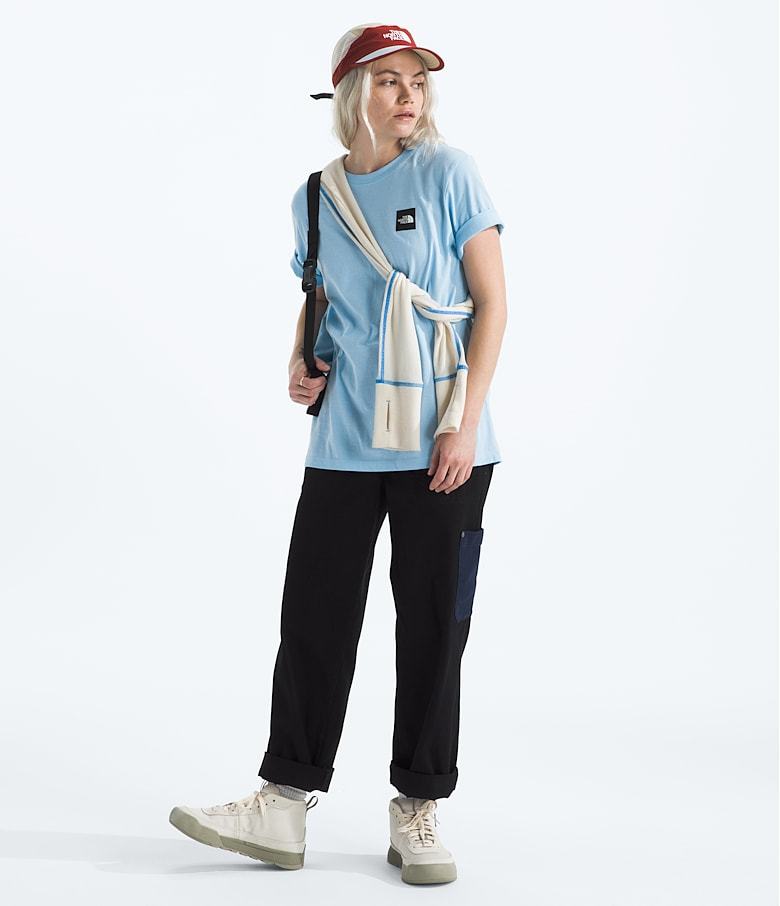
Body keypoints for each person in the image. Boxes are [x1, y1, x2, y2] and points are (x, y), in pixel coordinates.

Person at [169, 22, 507, 886]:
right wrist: (300, 356)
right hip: (344, 442)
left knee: (434, 626)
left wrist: (465, 424)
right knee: (314, 619)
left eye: (416, 82)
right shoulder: (315, 196)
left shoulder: (450, 172)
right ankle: (283, 800)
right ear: (352, 92)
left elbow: (493, 305)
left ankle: (418, 805)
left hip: (443, 443)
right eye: (388, 80)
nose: (408, 96)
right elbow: (317, 293)